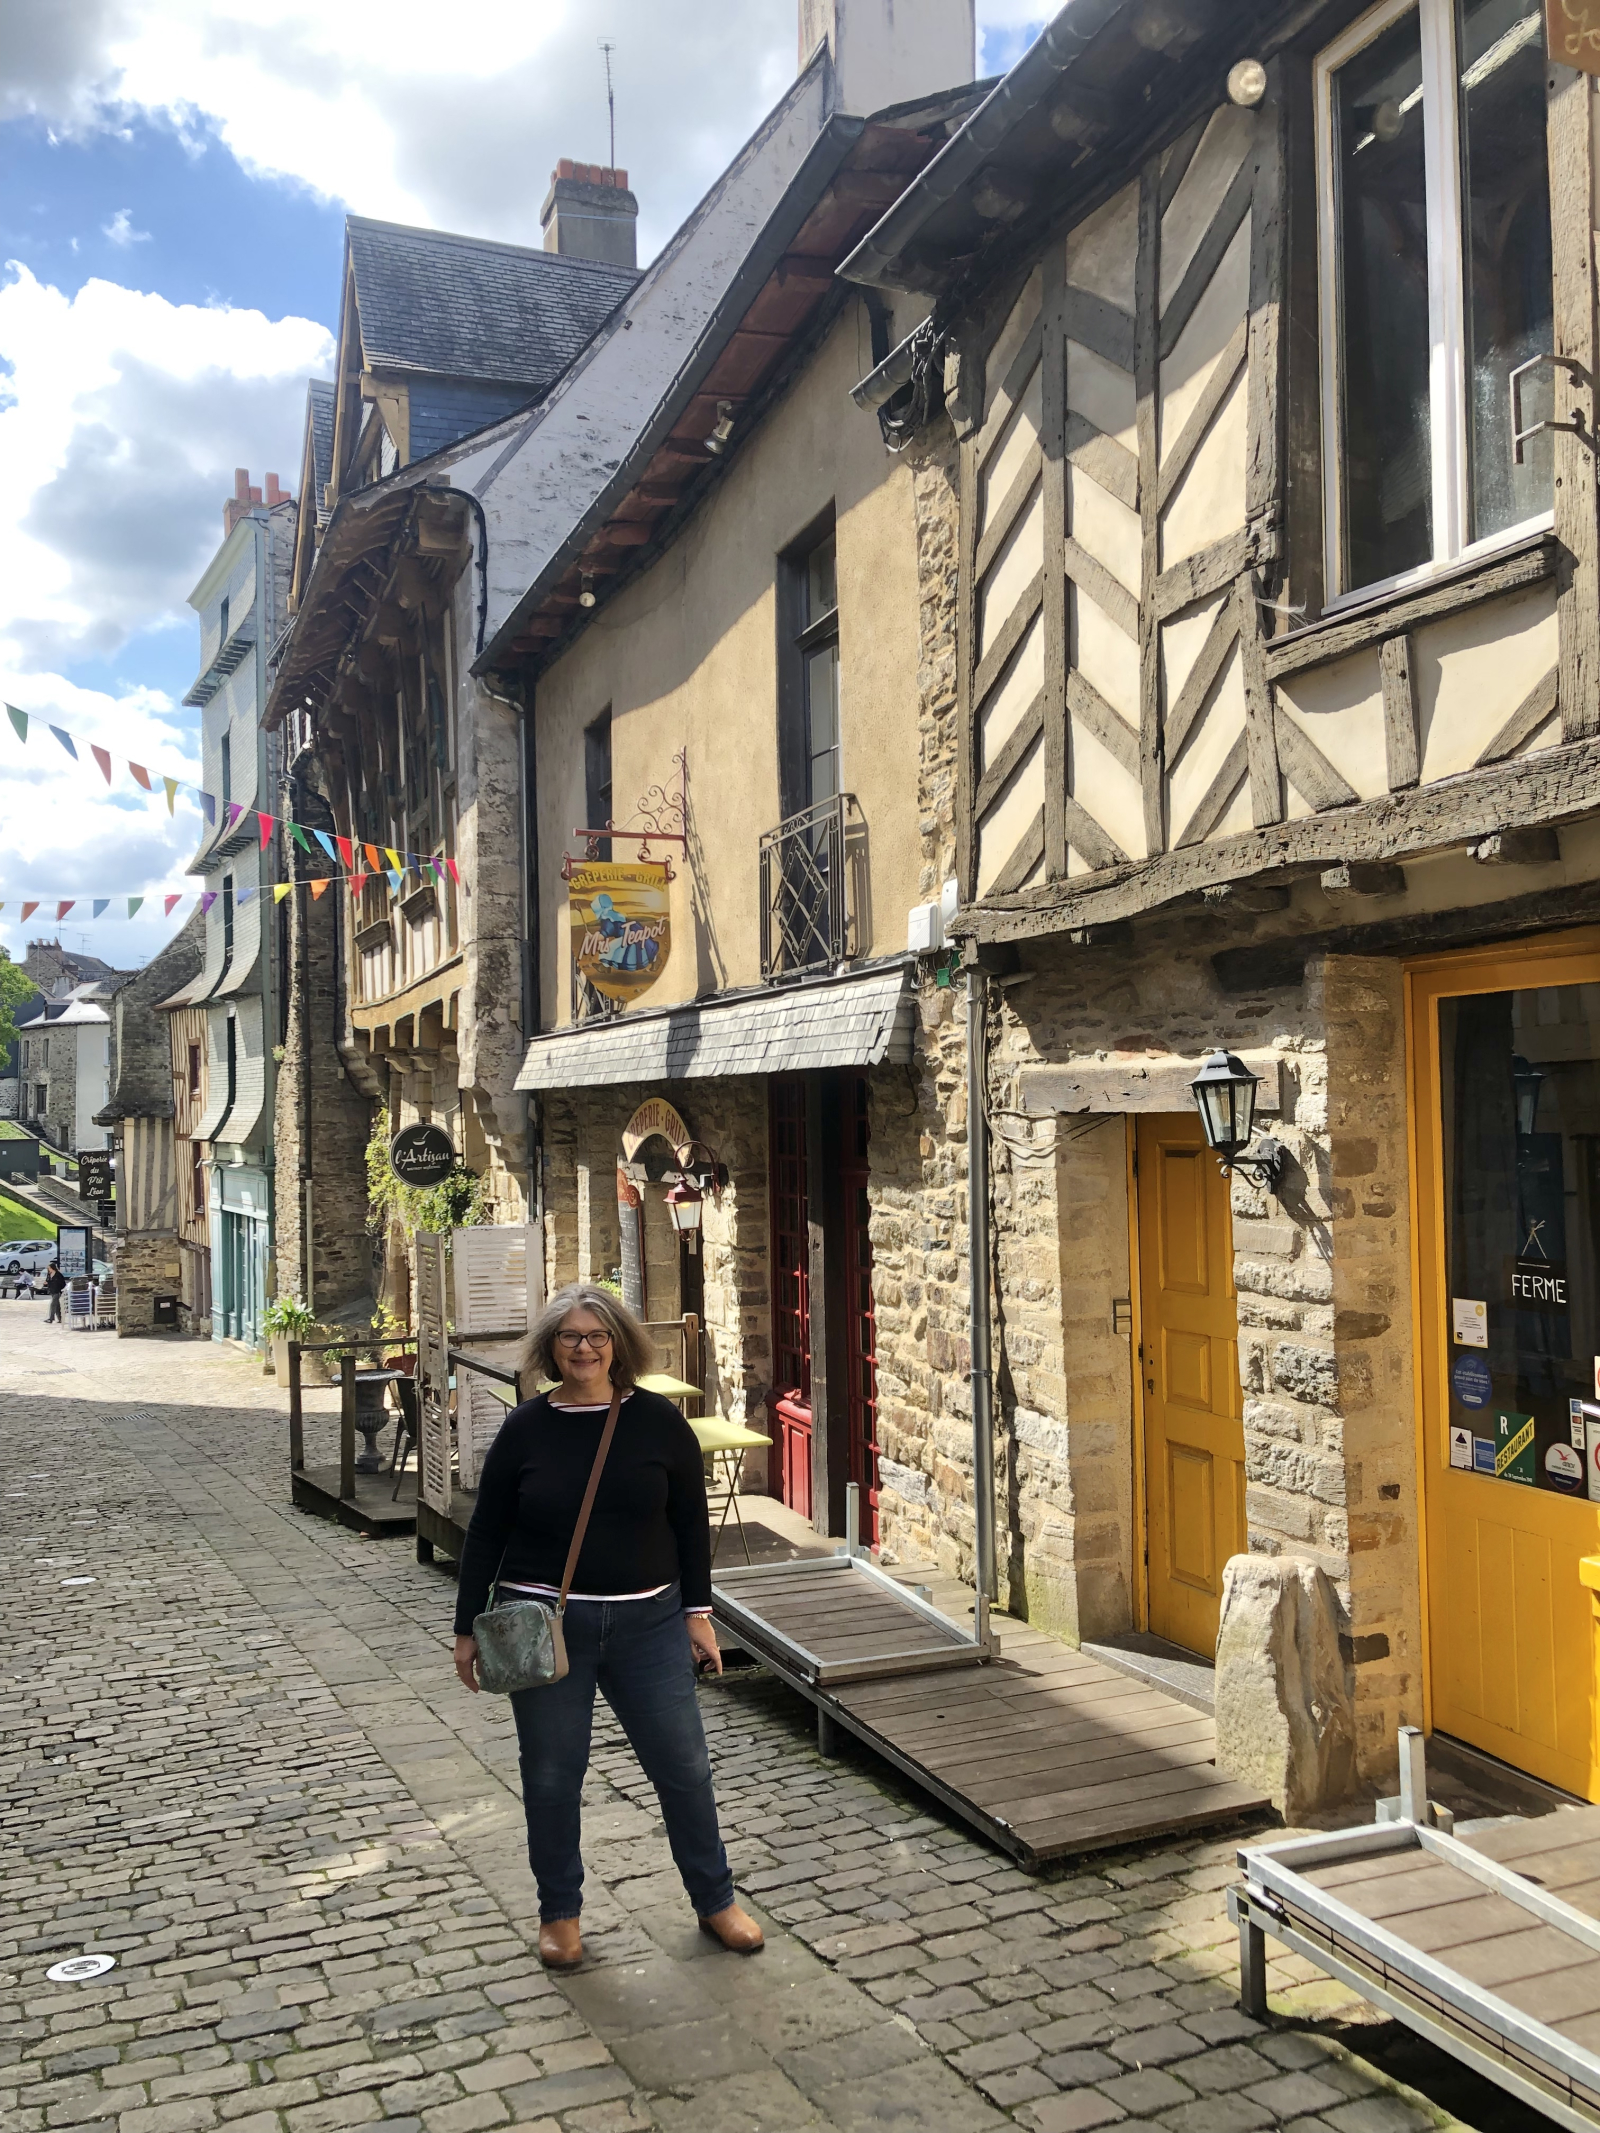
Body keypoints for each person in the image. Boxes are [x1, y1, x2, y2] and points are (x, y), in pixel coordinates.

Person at [452, 1281, 762, 1971]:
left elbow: (688, 1522)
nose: (584, 1348)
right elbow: (487, 1530)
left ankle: (716, 1900)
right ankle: (560, 1914)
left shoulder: (657, 1423)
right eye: (570, 1337)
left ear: (618, 1344)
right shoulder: (526, 1427)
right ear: (550, 1348)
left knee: (683, 1768)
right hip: (544, 1628)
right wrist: (466, 1628)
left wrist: (699, 1614)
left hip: (648, 1623)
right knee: (554, 1775)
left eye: (596, 1336)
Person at [41, 1259, 66, 1325]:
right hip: (52, 1291)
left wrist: (61, 1289)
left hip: (57, 1291)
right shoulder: (49, 1274)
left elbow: (63, 1283)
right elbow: (47, 1281)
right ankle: (60, 1318)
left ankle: (51, 1318)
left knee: (53, 1304)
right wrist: (46, 1283)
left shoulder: (58, 1274)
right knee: (57, 1305)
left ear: (52, 1268)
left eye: (49, 1268)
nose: (49, 1269)